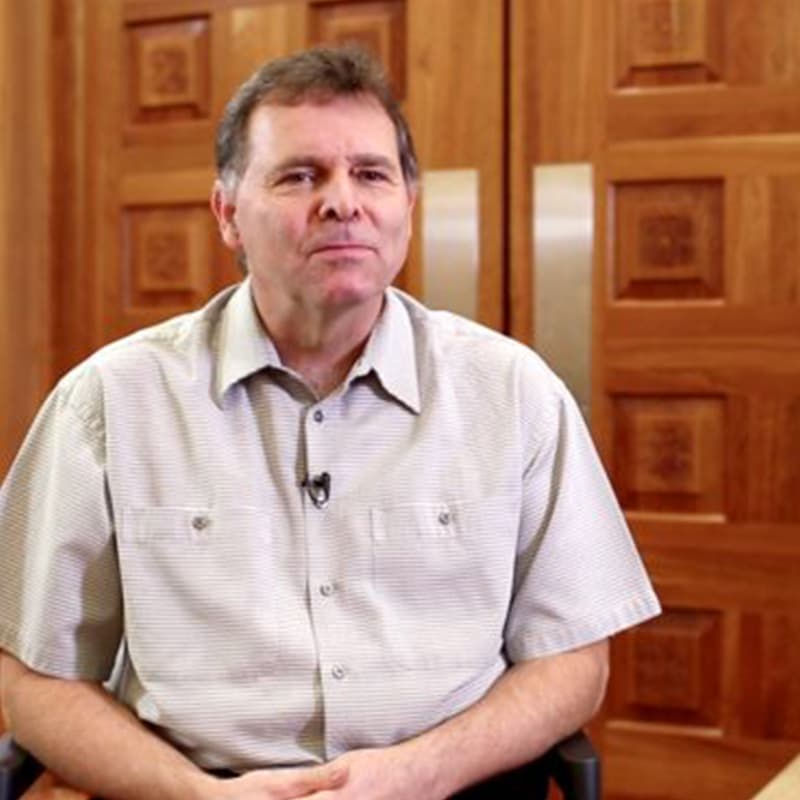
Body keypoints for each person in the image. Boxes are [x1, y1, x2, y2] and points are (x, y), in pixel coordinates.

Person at [0, 46, 660, 800]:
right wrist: (196, 796)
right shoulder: (107, 405)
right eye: (300, 175)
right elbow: (34, 682)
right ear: (227, 214)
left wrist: (418, 773)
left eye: (371, 174)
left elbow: (575, 661)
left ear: (407, 203)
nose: (342, 202)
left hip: (447, 786)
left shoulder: (512, 394)